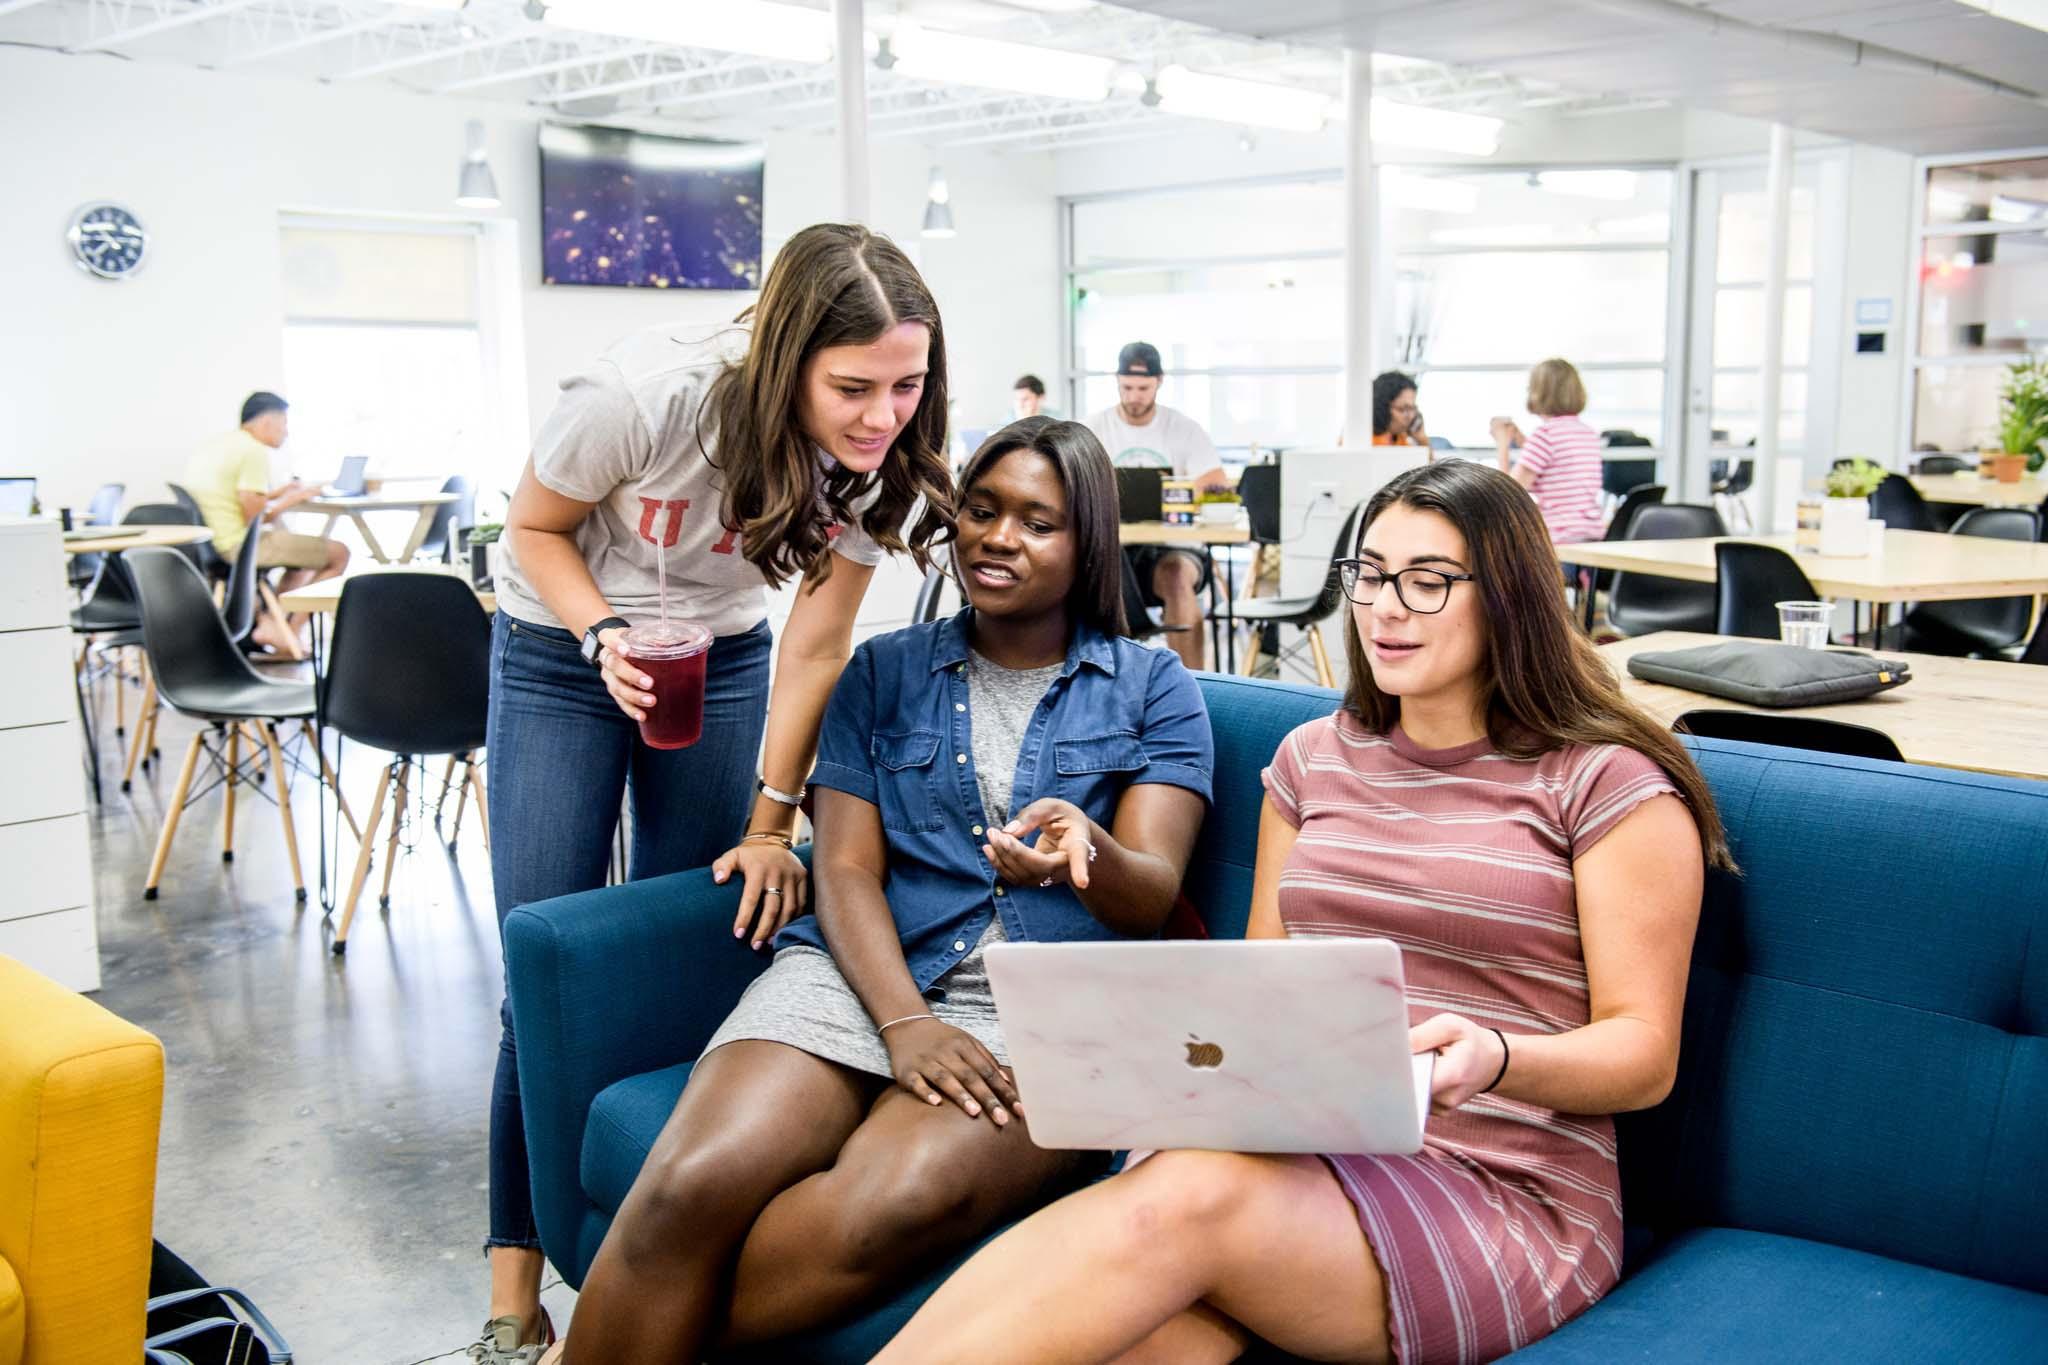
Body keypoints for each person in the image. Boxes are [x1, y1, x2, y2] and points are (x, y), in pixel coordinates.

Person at [875, 458, 1733, 1365]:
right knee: (1157, 1322)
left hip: (1504, 1182)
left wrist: (1498, 1059)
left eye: (1428, 581)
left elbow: (1644, 1053)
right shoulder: (1313, 758)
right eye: (1369, 574)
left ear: (1511, 597)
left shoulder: (1608, 782)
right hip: (1305, 1146)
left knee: (1189, 1197)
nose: (1386, 607)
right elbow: (1261, 990)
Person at [543, 417, 1214, 1365]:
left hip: (1048, 1014)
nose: (998, 537)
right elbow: (846, 867)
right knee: (688, 1182)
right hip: (862, 973)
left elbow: (1149, 897)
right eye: (981, 511)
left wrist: (1087, 849)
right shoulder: (884, 669)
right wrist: (905, 1023)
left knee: (880, 1211)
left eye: (1037, 521)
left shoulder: (1153, 686)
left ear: (1089, 541)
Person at [474, 223, 956, 1365]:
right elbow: (532, 529)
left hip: (722, 652)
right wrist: (598, 637)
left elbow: (818, 637)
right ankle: (510, 1298)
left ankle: (646, 1258)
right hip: (560, 646)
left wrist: (769, 821)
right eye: (851, 387)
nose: (881, 415)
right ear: (785, 355)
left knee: (695, 932)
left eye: (907, 384)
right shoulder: (641, 395)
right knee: (543, 959)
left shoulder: (876, 449)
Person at [1087, 341, 1225, 672]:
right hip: (1113, 553)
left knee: (1177, 576)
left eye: (1143, 388)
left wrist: (1181, 494)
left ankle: (1196, 685)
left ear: (1159, 382)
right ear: (1117, 381)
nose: (1135, 396)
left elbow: (1217, 484)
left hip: (1174, 550)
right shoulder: (1094, 428)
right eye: (1127, 387)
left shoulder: (1183, 429)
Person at [181, 391, 348, 651]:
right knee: (338, 553)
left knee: (302, 560)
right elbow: (256, 516)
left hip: (209, 545)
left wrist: (277, 494)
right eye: (284, 423)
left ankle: (273, 623)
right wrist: (292, 500)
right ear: (266, 422)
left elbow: (236, 498)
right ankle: (288, 633)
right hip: (238, 545)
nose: (286, 432)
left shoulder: (219, 446)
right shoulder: (252, 450)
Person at [1492, 357, 1606, 546]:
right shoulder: (1587, 433)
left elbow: (1507, 492)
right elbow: (1559, 466)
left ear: (1538, 393)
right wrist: (1522, 441)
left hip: (1558, 537)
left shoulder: (1545, 435)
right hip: (1589, 533)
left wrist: (1502, 443)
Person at [1371, 369, 1427, 446]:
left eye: (1413, 408)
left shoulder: (1399, 438)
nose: (1411, 416)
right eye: (1403, 409)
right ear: (1382, 408)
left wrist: (1422, 439)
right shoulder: (1368, 442)